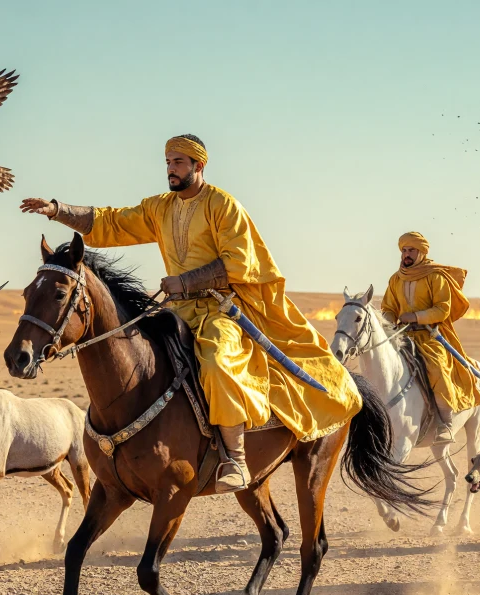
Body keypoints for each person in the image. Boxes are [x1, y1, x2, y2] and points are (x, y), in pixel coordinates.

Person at [19, 135, 360, 492]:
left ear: (199, 166)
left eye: (179, 162)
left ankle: (236, 458)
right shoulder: (161, 208)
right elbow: (112, 222)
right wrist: (59, 210)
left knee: (215, 360)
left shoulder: (223, 205)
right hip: (178, 310)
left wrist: (186, 281)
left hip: (222, 310)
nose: (171, 168)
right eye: (168, 162)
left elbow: (240, 263)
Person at [379, 232, 480, 443]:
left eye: (411, 250)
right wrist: (389, 319)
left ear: (422, 252)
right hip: (402, 335)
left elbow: (442, 309)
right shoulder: (396, 278)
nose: (406, 255)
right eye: (404, 251)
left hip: (430, 336)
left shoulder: (436, 277)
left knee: (437, 367)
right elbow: (388, 307)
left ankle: (445, 423)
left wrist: (415, 316)